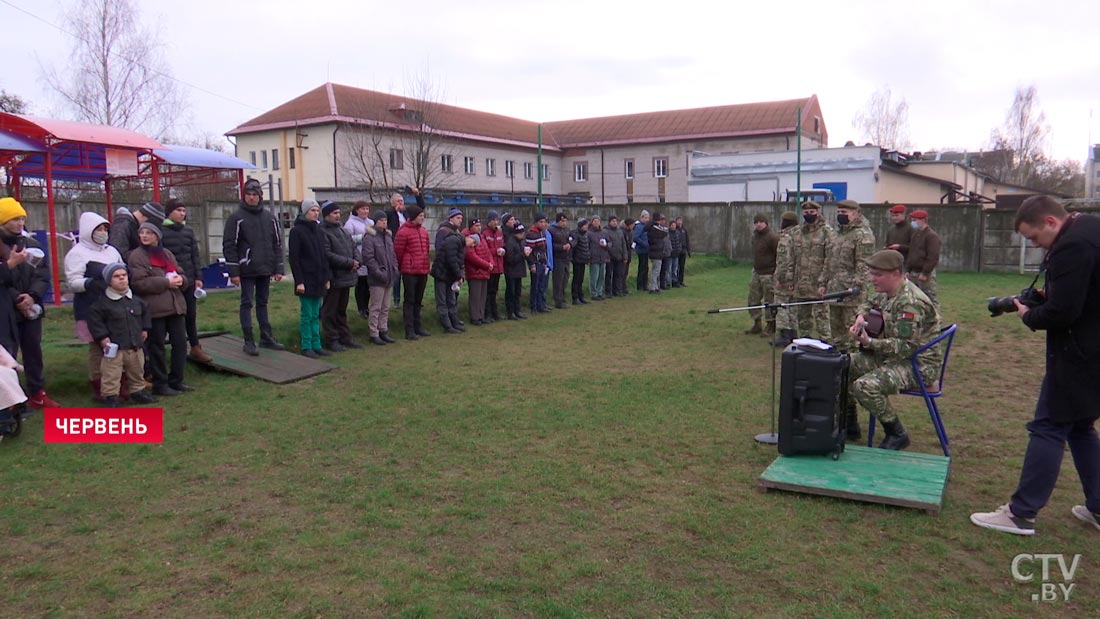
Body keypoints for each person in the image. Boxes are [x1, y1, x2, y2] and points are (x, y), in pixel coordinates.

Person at [971, 196, 1100, 536]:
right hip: (1093, 350)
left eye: (1034, 238)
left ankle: (1020, 513)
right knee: (1080, 426)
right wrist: (1052, 296)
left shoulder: (1072, 245)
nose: (1033, 245)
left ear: (1050, 222)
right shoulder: (1091, 229)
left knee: (1048, 426)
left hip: (1080, 354)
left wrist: (1030, 314)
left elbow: (1063, 314)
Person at [847, 250, 940, 449]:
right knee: (841, 365)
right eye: (871, 273)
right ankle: (848, 423)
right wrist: (861, 316)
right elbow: (870, 302)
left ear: (896, 274)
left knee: (865, 386)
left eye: (878, 275)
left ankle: (896, 432)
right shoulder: (890, 293)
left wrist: (869, 342)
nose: (872, 279)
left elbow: (905, 347)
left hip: (919, 365)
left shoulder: (910, 303)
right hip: (899, 358)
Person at [0, 197, 60, 408]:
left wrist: (33, 296)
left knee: (33, 351)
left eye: (22, 218)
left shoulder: (32, 244)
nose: (19, 223)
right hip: (7, 310)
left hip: (31, 309)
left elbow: (43, 274)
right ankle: (11, 400)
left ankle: (37, 392)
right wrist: (18, 298)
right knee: (7, 354)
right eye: (14, 218)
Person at [222, 178, 286, 356]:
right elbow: (229, 245)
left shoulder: (269, 217)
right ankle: (248, 341)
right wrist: (233, 271)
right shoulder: (236, 218)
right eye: (248, 194)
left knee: (263, 303)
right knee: (247, 303)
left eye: (254, 194)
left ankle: (266, 337)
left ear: (260, 196)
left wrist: (279, 268)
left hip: (265, 268)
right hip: (246, 268)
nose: (251, 198)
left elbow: (277, 244)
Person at [64, 211, 124, 401]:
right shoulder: (77, 253)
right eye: (98, 229)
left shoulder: (111, 251)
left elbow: (122, 269)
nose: (103, 232)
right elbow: (72, 281)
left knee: (117, 346)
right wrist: (90, 283)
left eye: (105, 228)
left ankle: (116, 383)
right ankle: (99, 385)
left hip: (114, 304)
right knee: (99, 348)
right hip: (91, 307)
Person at [127, 222, 190, 396]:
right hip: (154, 309)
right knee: (157, 347)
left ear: (157, 236)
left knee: (180, 344)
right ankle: (160, 383)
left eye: (149, 232)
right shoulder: (136, 256)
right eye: (142, 233)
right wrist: (166, 282)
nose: (144, 236)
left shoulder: (166, 254)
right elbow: (139, 283)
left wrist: (181, 281)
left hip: (175, 306)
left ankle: (177, 380)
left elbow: (180, 272)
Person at [85, 263, 158, 407]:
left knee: (137, 370)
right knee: (111, 374)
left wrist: (145, 329)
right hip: (114, 347)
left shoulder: (136, 301)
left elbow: (145, 315)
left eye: (123, 276)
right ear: (109, 281)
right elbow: (95, 322)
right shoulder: (101, 304)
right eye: (116, 277)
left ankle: (137, 392)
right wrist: (102, 337)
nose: (121, 279)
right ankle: (111, 396)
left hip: (135, 345)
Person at [160, 199, 211, 364]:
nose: (182, 213)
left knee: (191, 315)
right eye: (179, 210)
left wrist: (198, 277)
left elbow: (195, 255)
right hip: (170, 282)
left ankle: (195, 347)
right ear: (169, 212)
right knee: (171, 317)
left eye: (184, 210)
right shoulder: (161, 232)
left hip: (188, 280)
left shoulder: (188, 231)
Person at [821, 199, 875, 352]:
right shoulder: (838, 234)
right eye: (839, 212)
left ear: (856, 214)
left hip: (851, 293)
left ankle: (853, 359)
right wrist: (823, 282)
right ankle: (839, 355)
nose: (840, 215)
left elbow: (864, 264)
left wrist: (856, 287)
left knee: (851, 330)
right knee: (836, 330)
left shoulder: (862, 235)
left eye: (844, 213)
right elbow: (829, 260)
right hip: (835, 290)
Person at [288, 200, 331, 359]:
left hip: (319, 278)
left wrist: (326, 277)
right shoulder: (297, 232)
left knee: (316, 314)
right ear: (305, 212)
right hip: (305, 280)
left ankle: (317, 344)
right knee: (307, 314)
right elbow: (294, 258)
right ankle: (306, 345)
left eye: (317, 210)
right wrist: (299, 281)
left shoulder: (319, 230)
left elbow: (324, 256)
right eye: (312, 210)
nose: (316, 213)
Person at [787, 201, 835, 341]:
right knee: (803, 316)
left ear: (818, 212)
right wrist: (790, 279)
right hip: (801, 282)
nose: (809, 215)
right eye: (806, 213)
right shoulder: (797, 232)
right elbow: (792, 258)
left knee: (822, 317)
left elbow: (830, 259)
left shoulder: (827, 232)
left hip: (819, 282)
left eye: (812, 212)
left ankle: (825, 343)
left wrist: (824, 282)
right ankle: (805, 342)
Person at [320, 200, 362, 351]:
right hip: (333, 276)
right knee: (330, 310)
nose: (338, 216)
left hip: (346, 276)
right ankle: (332, 339)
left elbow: (353, 246)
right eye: (334, 213)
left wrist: (357, 260)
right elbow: (327, 254)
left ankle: (345, 337)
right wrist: (348, 262)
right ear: (326, 215)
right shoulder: (322, 232)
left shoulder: (343, 231)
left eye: (338, 213)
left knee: (341, 310)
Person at [360, 210, 399, 345]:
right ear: (376, 221)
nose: (384, 223)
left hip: (389, 276)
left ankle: (383, 329)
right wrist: (379, 272)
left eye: (385, 220)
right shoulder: (369, 237)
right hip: (377, 278)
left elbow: (393, 255)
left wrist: (395, 269)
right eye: (381, 220)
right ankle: (373, 332)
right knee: (376, 306)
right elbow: (369, 258)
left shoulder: (388, 237)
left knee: (385, 306)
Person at [394, 204, 431, 340]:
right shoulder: (403, 232)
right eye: (420, 216)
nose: (423, 218)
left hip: (422, 269)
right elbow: (398, 251)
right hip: (409, 270)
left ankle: (418, 326)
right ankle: (409, 329)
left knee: (418, 300)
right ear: (414, 217)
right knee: (409, 300)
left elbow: (426, 250)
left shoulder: (424, 231)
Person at [387, 188, 423, 306]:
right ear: (392, 203)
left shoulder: (406, 213)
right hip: (395, 245)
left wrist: (417, 195)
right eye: (398, 201)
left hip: (409, 247)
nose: (400, 203)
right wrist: (394, 210)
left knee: (409, 276)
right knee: (397, 275)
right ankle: (396, 299)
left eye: (402, 201)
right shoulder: (389, 213)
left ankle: (413, 299)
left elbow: (420, 207)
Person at [432, 208, 466, 334]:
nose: (460, 220)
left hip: (452, 271)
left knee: (451, 298)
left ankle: (454, 320)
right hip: (443, 270)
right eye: (458, 218)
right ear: (451, 218)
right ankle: (447, 324)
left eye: (461, 218)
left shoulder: (457, 232)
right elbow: (443, 251)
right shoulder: (444, 231)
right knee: (443, 299)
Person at [746, 213, 778, 336]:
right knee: (753, 298)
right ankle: (757, 323)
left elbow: (778, 255)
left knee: (769, 300)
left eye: (761, 221)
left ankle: (770, 325)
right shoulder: (754, 236)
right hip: (756, 272)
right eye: (756, 222)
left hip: (768, 274)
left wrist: (775, 271)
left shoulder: (772, 237)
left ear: (766, 222)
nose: (758, 224)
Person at [771, 211, 800, 346]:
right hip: (797, 277)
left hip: (786, 277)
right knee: (793, 306)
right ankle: (794, 333)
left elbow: (783, 260)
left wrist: (780, 279)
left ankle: (784, 334)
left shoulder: (785, 237)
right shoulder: (800, 236)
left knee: (781, 304)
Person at [343, 200, 374, 319]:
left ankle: (367, 307)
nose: (365, 211)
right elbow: (347, 238)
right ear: (357, 210)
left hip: (370, 255)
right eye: (363, 209)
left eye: (367, 209)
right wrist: (362, 237)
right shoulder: (350, 223)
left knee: (368, 284)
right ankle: (361, 308)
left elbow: (374, 234)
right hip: (358, 255)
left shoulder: (370, 222)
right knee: (360, 283)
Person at [905, 209, 941, 310]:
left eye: (915, 220)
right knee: (914, 298)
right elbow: (911, 253)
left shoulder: (931, 236)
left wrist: (925, 273)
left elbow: (933, 256)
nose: (913, 222)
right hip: (913, 272)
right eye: (912, 220)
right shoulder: (915, 235)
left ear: (923, 220)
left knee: (929, 298)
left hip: (924, 273)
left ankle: (936, 319)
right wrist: (908, 270)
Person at [463, 219, 493, 325]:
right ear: (471, 227)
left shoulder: (482, 237)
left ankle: (481, 315)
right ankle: (475, 316)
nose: (479, 227)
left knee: (482, 295)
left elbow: (488, 251)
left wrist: (491, 263)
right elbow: (471, 256)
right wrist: (486, 265)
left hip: (484, 270)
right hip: (474, 271)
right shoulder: (468, 238)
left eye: (480, 225)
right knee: (475, 295)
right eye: (476, 225)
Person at [483, 211, 505, 321]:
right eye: (494, 220)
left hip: (498, 265)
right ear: (489, 221)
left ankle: (495, 312)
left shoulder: (500, 233)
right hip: (490, 266)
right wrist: (496, 251)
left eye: (497, 220)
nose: (496, 222)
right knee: (488, 291)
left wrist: (502, 251)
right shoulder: (485, 233)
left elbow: (502, 245)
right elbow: (484, 250)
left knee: (494, 291)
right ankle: (487, 314)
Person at [503, 222, 529, 320]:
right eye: (521, 233)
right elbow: (510, 259)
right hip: (511, 272)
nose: (523, 235)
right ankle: (510, 312)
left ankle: (517, 310)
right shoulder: (510, 243)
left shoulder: (521, 241)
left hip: (519, 271)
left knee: (518, 292)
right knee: (511, 292)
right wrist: (523, 254)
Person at [526, 213, 551, 313]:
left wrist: (545, 262)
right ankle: (534, 306)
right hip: (535, 263)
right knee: (535, 286)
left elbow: (543, 249)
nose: (543, 224)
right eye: (541, 222)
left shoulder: (543, 233)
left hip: (542, 262)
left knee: (541, 285)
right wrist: (532, 264)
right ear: (536, 222)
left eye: (544, 222)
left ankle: (541, 305)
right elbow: (529, 251)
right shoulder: (531, 234)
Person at [549, 212, 574, 309]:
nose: (564, 223)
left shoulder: (567, 230)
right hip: (558, 258)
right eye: (562, 221)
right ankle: (558, 300)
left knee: (565, 279)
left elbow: (573, 239)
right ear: (558, 221)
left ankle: (563, 298)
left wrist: (570, 244)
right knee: (558, 280)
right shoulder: (552, 230)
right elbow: (550, 245)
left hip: (566, 258)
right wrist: (561, 247)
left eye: (565, 221)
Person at [646, 213, 670, 293]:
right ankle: (652, 287)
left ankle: (655, 287)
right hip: (656, 252)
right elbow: (664, 232)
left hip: (655, 252)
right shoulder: (655, 229)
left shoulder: (651, 228)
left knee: (655, 270)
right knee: (655, 271)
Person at [587, 215, 610, 301]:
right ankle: (593, 293)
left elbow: (610, 243)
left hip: (603, 256)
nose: (596, 222)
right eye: (595, 221)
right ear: (592, 222)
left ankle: (600, 292)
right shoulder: (589, 233)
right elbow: (587, 246)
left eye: (598, 221)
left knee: (601, 276)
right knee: (594, 276)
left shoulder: (604, 232)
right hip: (594, 257)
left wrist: (606, 245)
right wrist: (589, 256)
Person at [607, 215, 629, 296]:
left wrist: (625, 256)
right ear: (609, 222)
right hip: (610, 257)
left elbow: (624, 244)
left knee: (619, 274)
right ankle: (609, 291)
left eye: (616, 221)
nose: (614, 223)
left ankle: (618, 290)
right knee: (609, 275)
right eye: (613, 221)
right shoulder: (606, 231)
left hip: (620, 256)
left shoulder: (620, 232)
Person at [571, 218, 590, 305]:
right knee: (576, 279)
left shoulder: (585, 234)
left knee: (581, 279)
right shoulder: (575, 234)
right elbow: (573, 245)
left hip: (583, 259)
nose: (587, 227)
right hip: (577, 260)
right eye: (585, 225)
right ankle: (575, 297)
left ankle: (580, 296)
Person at [634, 209, 651, 291]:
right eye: (646, 217)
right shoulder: (639, 226)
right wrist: (644, 243)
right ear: (642, 217)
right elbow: (636, 237)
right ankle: (640, 285)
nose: (647, 219)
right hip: (641, 250)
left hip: (646, 250)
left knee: (646, 268)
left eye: (648, 218)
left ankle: (645, 284)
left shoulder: (647, 226)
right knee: (642, 267)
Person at [668, 218, 684, 288]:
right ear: (670, 226)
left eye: (674, 225)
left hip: (676, 254)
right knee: (669, 269)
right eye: (672, 225)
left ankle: (675, 281)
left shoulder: (677, 233)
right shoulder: (667, 233)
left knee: (675, 269)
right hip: (670, 254)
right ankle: (668, 282)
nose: (673, 226)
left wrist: (679, 249)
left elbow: (680, 242)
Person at [675, 216, 690, 287]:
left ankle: (681, 281)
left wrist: (688, 250)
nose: (679, 222)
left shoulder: (684, 230)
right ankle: (676, 281)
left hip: (683, 251)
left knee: (682, 267)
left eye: (680, 220)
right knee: (676, 266)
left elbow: (687, 240)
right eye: (678, 220)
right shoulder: (675, 229)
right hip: (677, 251)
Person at [622, 218, 636, 295]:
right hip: (624, 255)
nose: (633, 226)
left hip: (629, 254)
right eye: (632, 224)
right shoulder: (623, 232)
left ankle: (624, 288)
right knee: (622, 273)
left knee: (625, 273)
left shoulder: (630, 233)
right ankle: (621, 288)